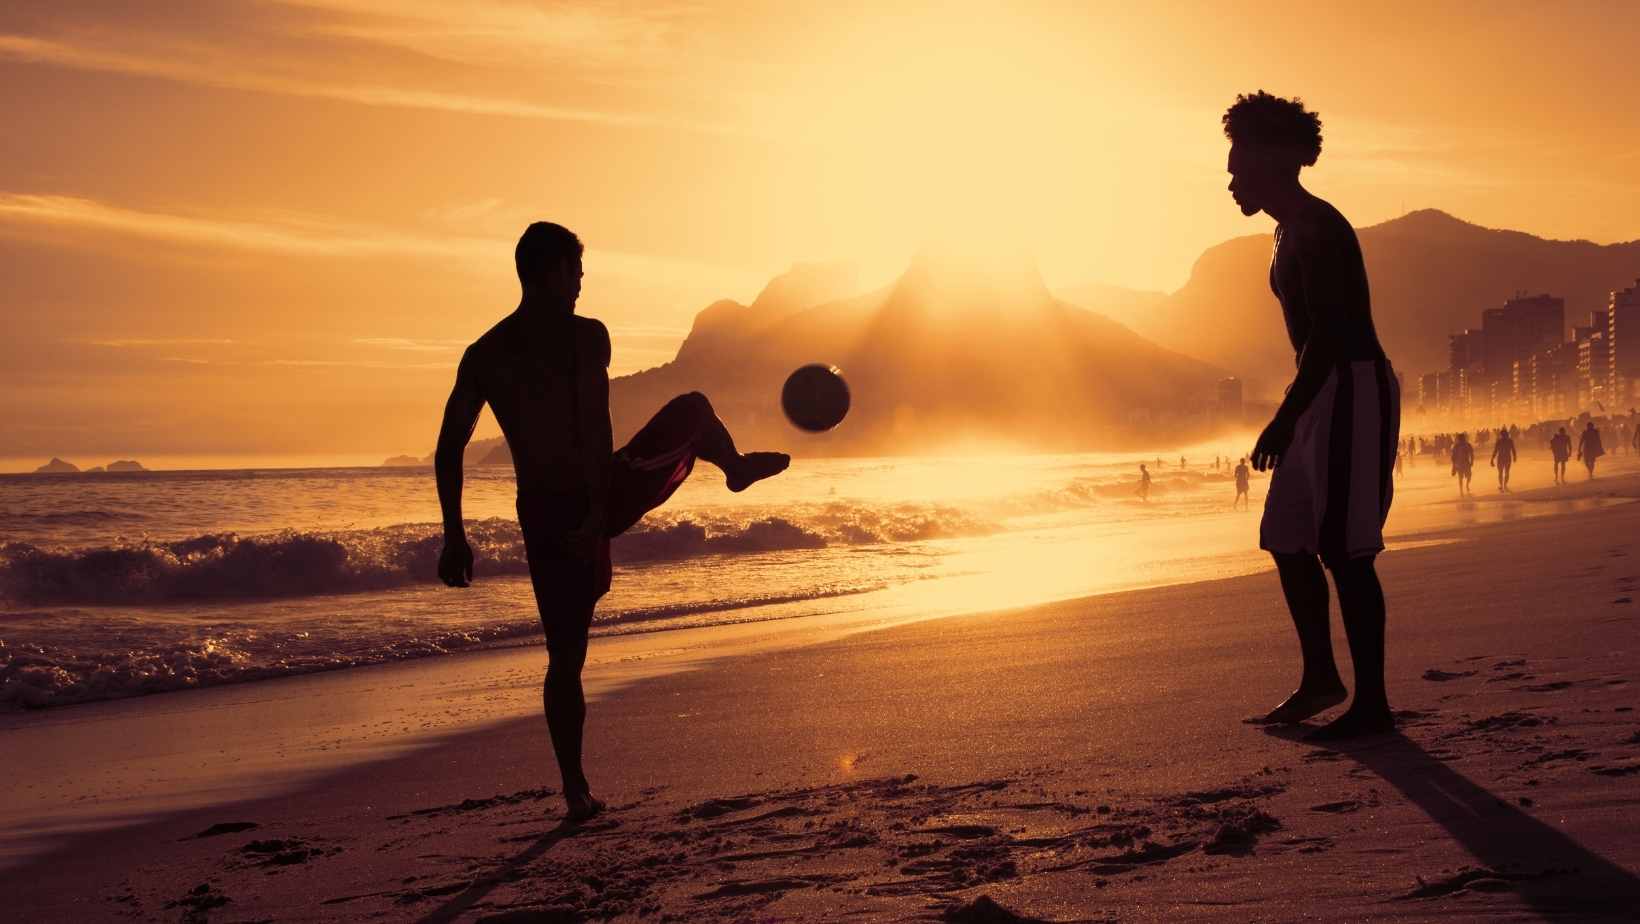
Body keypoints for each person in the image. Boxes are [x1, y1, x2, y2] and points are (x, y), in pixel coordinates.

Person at [435, 222, 790, 822]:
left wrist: (455, 536)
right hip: (584, 502)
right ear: (546, 273)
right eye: (574, 271)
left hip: (562, 507)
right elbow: (576, 430)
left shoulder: (493, 353)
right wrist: (592, 513)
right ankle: (574, 788)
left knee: (565, 656)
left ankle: (575, 790)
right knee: (567, 654)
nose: (580, 283)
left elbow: (456, 446)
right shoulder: (560, 343)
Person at [1228, 91, 1400, 739]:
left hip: (1350, 386)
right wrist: (1296, 411)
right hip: (1319, 389)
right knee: (1285, 537)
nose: (1230, 178)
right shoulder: (1284, 231)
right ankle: (1321, 677)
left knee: (1346, 553)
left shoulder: (1319, 228)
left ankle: (1373, 705)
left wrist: (1283, 416)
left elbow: (1329, 336)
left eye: (1238, 163)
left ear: (1272, 159)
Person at [1490, 426, 1516, 493]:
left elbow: (1495, 451)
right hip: (1505, 458)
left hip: (1503, 458)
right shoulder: (1506, 441)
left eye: (1504, 435)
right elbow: (1495, 450)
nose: (1504, 436)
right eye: (1504, 435)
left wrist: (1492, 459)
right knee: (1504, 472)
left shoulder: (1504, 441)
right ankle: (1503, 485)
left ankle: (1503, 485)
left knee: (1503, 473)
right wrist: (1492, 459)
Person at [1450, 432, 1474, 496]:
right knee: (1461, 477)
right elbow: (1453, 457)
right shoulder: (1456, 446)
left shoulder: (1468, 445)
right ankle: (1461, 490)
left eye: (1462, 438)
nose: (1461, 440)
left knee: (1468, 476)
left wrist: (1472, 461)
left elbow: (1472, 454)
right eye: (1460, 439)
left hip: (1465, 463)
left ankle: (1466, 486)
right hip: (1460, 464)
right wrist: (1453, 466)